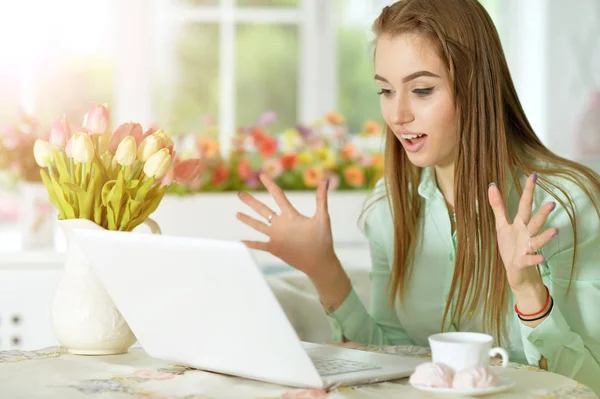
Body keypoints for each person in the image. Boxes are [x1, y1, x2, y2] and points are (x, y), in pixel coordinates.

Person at [236, 0, 600, 392]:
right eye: (386, 91)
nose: (397, 114)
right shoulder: (389, 208)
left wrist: (528, 290)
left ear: (476, 88)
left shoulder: (565, 204)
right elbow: (393, 358)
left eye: (422, 90)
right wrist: (323, 268)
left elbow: (589, 381)